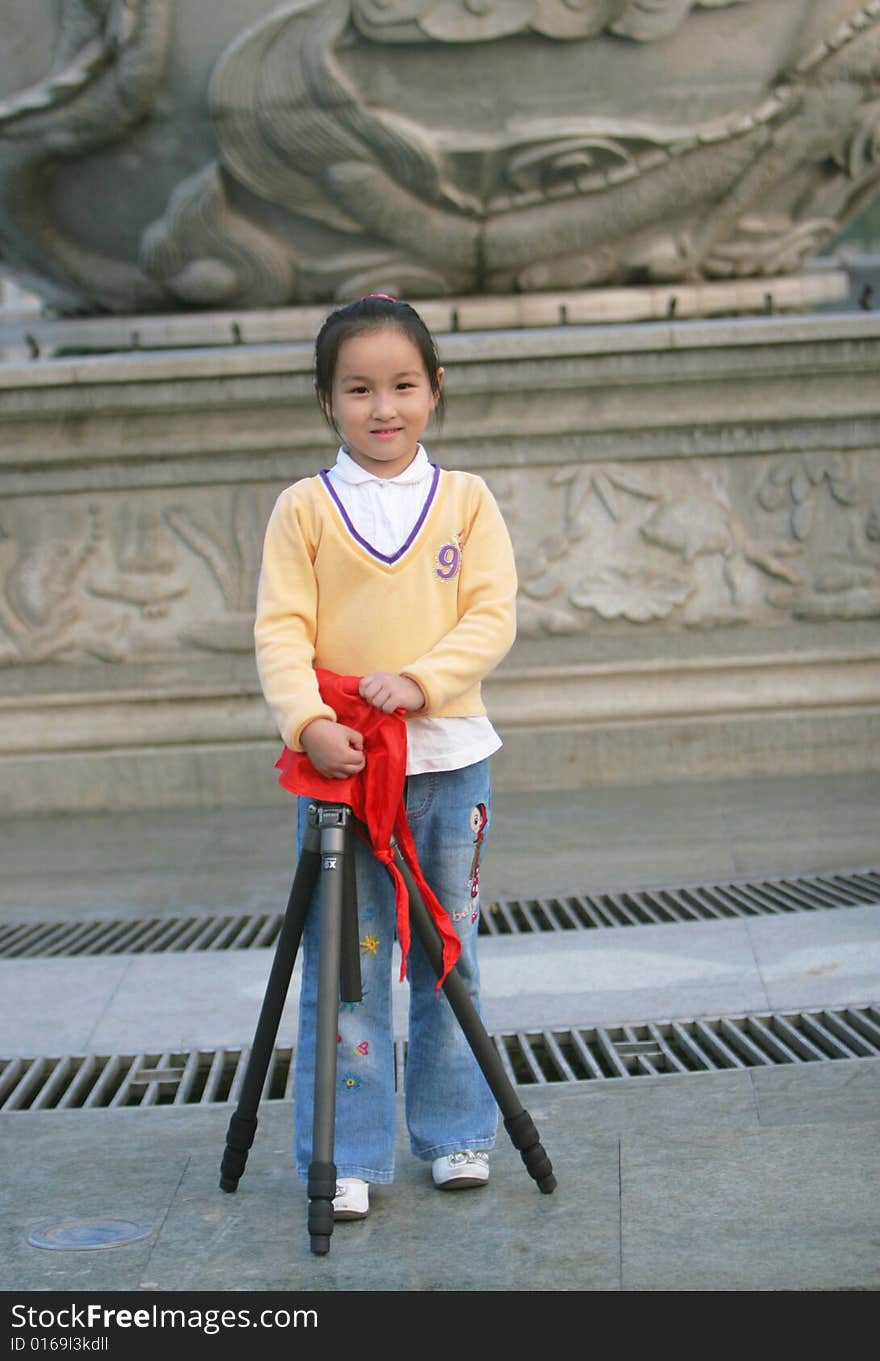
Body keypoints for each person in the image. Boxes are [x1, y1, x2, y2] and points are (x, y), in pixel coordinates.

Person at [253, 294, 518, 1222]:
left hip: (448, 759)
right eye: (358, 388)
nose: (383, 407)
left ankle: (457, 1132)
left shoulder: (467, 500)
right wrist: (304, 721)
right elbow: (282, 631)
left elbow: (491, 615)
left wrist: (426, 679)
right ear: (326, 399)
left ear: (435, 391)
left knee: (450, 953)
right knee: (347, 963)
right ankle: (349, 1148)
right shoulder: (304, 510)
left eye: (403, 385)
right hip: (345, 768)